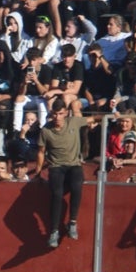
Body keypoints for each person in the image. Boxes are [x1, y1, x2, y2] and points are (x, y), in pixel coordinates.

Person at [34, 97, 84, 248]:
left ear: (66, 113)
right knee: (56, 194)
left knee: (77, 186)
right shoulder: (46, 130)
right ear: (51, 114)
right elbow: (41, 152)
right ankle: (54, 231)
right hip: (56, 166)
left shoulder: (74, 122)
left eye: (61, 114)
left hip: (74, 165)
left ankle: (72, 222)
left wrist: (112, 115)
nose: (57, 117)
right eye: (55, 114)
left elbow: (94, 119)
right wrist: (37, 172)